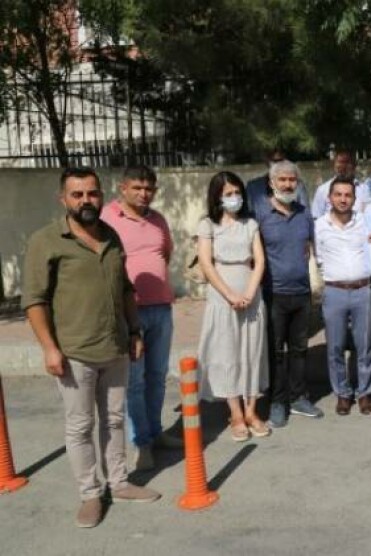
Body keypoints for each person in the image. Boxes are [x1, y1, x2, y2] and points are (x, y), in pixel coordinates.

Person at [23, 167, 161, 528]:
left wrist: (135, 331)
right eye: (78, 194)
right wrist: (49, 348)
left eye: (92, 193)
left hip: (115, 347)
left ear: (102, 195)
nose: (86, 200)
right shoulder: (46, 241)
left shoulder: (111, 235)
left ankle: (119, 483)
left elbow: (126, 288)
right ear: (63, 199)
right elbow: (35, 300)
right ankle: (90, 494)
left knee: (114, 420)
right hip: (74, 352)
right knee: (81, 426)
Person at [100, 165, 181, 473]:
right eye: (137, 188)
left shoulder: (158, 219)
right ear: (123, 188)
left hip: (161, 308)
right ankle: (142, 442)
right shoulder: (107, 218)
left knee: (158, 375)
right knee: (135, 381)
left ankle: (156, 432)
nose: (143, 194)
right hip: (129, 312)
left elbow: (165, 254)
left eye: (149, 189)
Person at [196, 172, 270, 442]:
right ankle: (235, 414)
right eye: (228, 194)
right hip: (222, 295)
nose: (234, 198)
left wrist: (249, 292)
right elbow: (206, 263)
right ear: (217, 196)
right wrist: (229, 294)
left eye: (237, 192)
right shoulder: (207, 225)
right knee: (227, 351)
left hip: (250, 294)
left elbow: (259, 261)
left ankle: (251, 410)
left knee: (252, 351)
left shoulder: (250, 223)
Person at [255, 160, 323, 428]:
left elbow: (311, 248)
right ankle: (276, 401)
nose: (287, 184)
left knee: (299, 349)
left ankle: (298, 397)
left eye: (291, 180)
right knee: (275, 351)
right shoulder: (261, 214)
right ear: (272, 182)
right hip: (274, 294)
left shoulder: (304, 214)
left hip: (302, 294)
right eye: (282, 179)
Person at [315, 177, 371, 416]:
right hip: (334, 291)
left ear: (354, 198)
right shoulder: (319, 225)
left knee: (365, 345)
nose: (343, 199)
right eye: (338, 194)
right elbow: (317, 257)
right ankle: (342, 393)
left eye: (348, 195)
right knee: (335, 346)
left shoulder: (365, 221)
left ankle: (364, 392)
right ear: (329, 198)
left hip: (363, 290)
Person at [245, 148, 309, 216]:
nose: (276, 164)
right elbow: (247, 213)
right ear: (266, 160)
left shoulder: (298, 185)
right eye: (274, 161)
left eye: (280, 161)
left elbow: (305, 212)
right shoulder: (253, 186)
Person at [310, 149, 357, 219]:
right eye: (340, 162)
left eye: (347, 162)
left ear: (354, 165)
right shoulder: (323, 190)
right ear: (334, 165)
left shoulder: (364, 189)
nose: (343, 166)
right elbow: (316, 217)